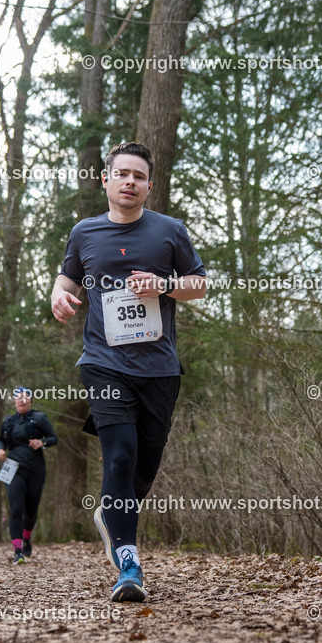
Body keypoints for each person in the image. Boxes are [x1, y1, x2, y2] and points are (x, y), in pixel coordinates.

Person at [50, 141, 207, 601]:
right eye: (122, 174)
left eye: (139, 176)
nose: (130, 182)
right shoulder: (85, 233)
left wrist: (164, 285)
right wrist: (58, 294)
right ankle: (128, 565)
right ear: (106, 180)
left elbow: (199, 285)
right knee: (118, 457)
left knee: (143, 467)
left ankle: (112, 514)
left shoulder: (169, 231)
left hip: (160, 368)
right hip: (104, 363)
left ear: (149, 185)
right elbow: (67, 276)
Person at [0, 387, 58, 564]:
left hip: (36, 470)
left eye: (26, 398)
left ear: (31, 401)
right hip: (13, 469)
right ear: (14, 402)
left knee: (31, 512)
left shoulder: (39, 418)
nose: (22, 401)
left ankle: (27, 537)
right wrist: (0, 449)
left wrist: (42, 442)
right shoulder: (8, 421)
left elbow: (54, 438)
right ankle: (18, 551)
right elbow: (0, 439)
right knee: (16, 510)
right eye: (19, 398)